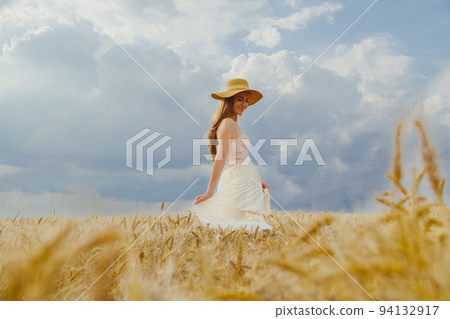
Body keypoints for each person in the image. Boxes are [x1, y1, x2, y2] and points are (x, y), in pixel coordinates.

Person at [191, 78, 274, 232]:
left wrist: (260, 180)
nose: (244, 104)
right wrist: (210, 192)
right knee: (241, 223)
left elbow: (243, 156)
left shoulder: (233, 124)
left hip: (247, 177)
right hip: (238, 177)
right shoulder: (228, 123)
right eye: (240, 99)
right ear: (229, 100)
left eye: (247, 100)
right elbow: (220, 158)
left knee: (244, 222)